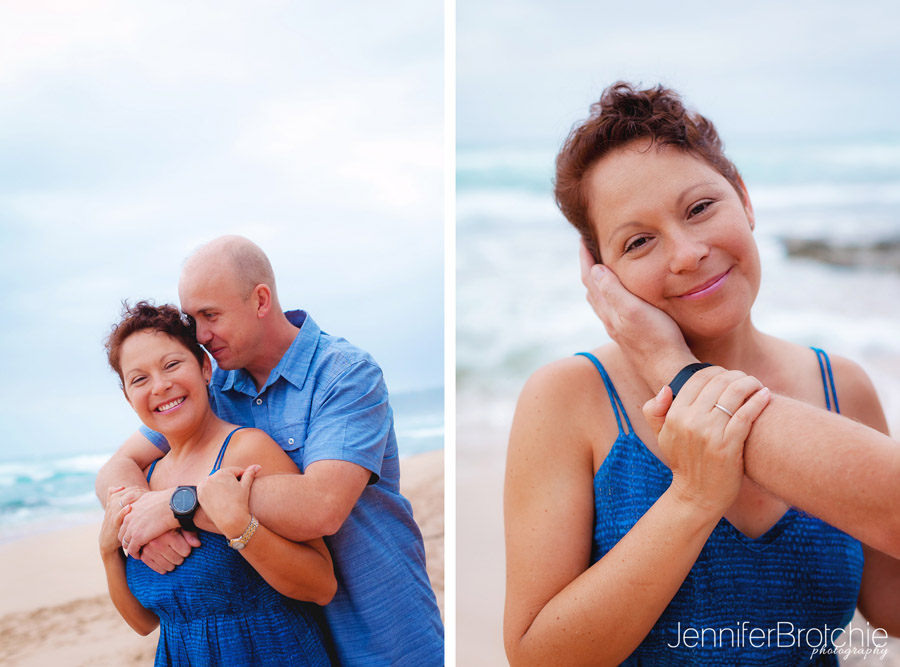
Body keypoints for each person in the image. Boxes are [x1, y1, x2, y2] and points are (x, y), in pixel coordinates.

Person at [503, 82, 900, 666]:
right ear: (602, 275)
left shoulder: (842, 387)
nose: (687, 253)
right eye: (639, 241)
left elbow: (890, 610)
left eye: (700, 208)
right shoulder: (569, 398)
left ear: (744, 198)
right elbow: (539, 657)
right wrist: (691, 499)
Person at [95, 236, 443, 666]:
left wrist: (180, 504)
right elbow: (119, 466)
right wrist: (140, 518)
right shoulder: (213, 386)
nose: (200, 335)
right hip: (283, 633)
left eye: (210, 316)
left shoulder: (344, 374)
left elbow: (322, 506)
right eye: (192, 319)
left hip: (377, 627)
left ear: (260, 300)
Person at [100, 301, 335, 666]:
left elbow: (321, 586)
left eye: (172, 365)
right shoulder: (145, 481)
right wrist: (108, 553)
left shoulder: (247, 448)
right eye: (140, 379)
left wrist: (236, 525)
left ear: (205, 368)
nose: (160, 386)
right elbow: (144, 623)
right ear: (129, 398)